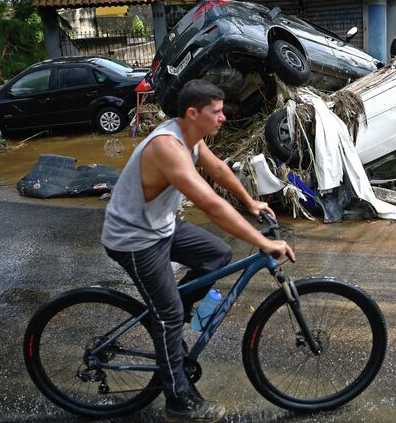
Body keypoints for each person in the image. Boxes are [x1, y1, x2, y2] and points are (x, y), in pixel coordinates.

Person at [101, 80, 295, 422]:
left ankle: (172, 319)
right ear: (193, 113)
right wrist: (263, 242)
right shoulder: (167, 147)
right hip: (133, 239)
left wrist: (250, 201)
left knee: (217, 256)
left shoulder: (190, 137)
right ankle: (178, 402)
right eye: (216, 112)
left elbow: (218, 169)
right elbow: (210, 204)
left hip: (159, 226)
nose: (223, 118)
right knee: (169, 315)